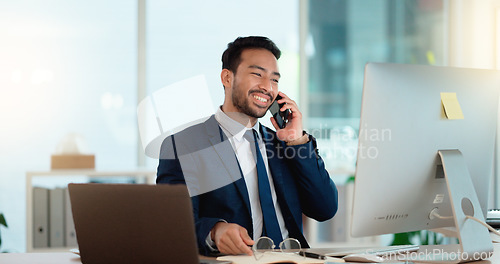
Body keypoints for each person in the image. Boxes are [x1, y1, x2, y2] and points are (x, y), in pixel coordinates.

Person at [157, 36, 338, 256]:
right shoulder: (184, 145)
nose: (267, 87)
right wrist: (215, 231)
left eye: (274, 80)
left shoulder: (284, 144)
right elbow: (174, 225)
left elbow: (325, 208)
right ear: (227, 77)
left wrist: (296, 140)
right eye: (257, 74)